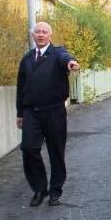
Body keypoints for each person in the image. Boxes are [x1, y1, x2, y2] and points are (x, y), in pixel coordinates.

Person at [15, 22, 80, 207]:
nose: (41, 35)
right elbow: (21, 88)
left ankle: (55, 191)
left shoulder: (57, 53)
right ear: (33, 35)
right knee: (28, 148)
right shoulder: (27, 59)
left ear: (50, 35)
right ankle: (39, 189)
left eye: (44, 32)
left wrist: (71, 63)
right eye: (38, 32)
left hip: (54, 111)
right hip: (31, 113)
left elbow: (65, 58)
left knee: (56, 151)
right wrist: (20, 113)